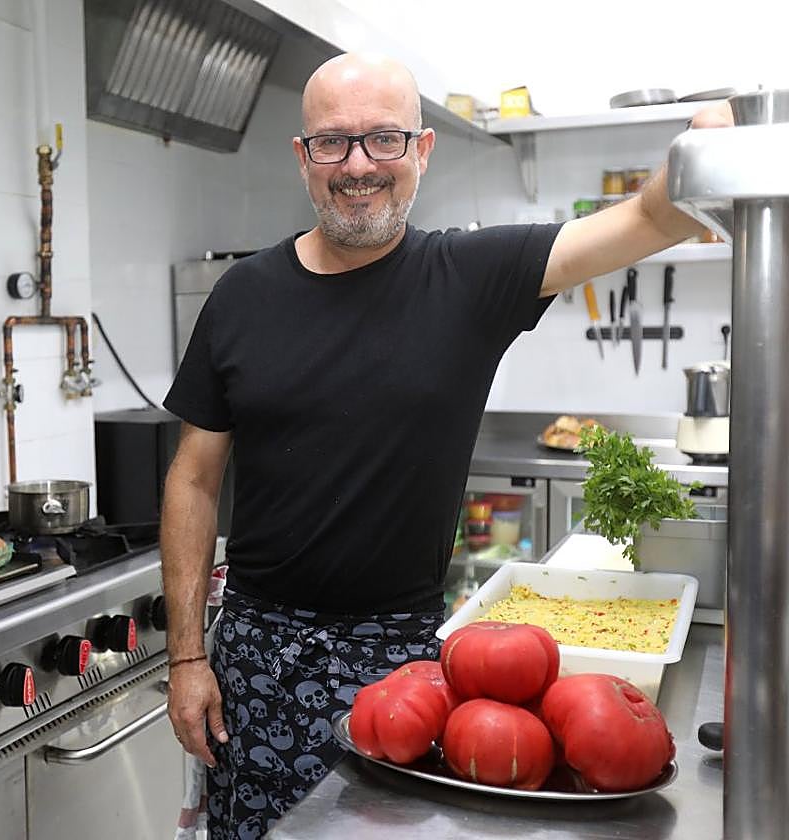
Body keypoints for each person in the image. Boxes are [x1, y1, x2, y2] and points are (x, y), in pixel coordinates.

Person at [159, 52, 731, 839]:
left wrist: (708, 135)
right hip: (255, 662)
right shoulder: (241, 296)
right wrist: (187, 658)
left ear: (422, 151)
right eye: (333, 143)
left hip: (407, 671)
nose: (358, 165)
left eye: (383, 140)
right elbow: (192, 480)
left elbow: (654, 218)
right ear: (302, 159)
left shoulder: (472, 274)